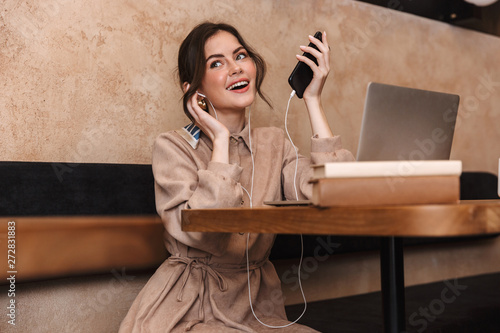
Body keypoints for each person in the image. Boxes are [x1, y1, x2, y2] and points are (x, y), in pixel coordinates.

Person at [119, 22, 354, 332]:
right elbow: (203, 230)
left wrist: (312, 99)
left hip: (256, 308)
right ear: (195, 88)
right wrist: (219, 141)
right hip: (186, 312)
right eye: (217, 63)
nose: (235, 69)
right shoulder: (172, 146)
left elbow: (336, 191)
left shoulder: (274, 143)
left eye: (240, 56)